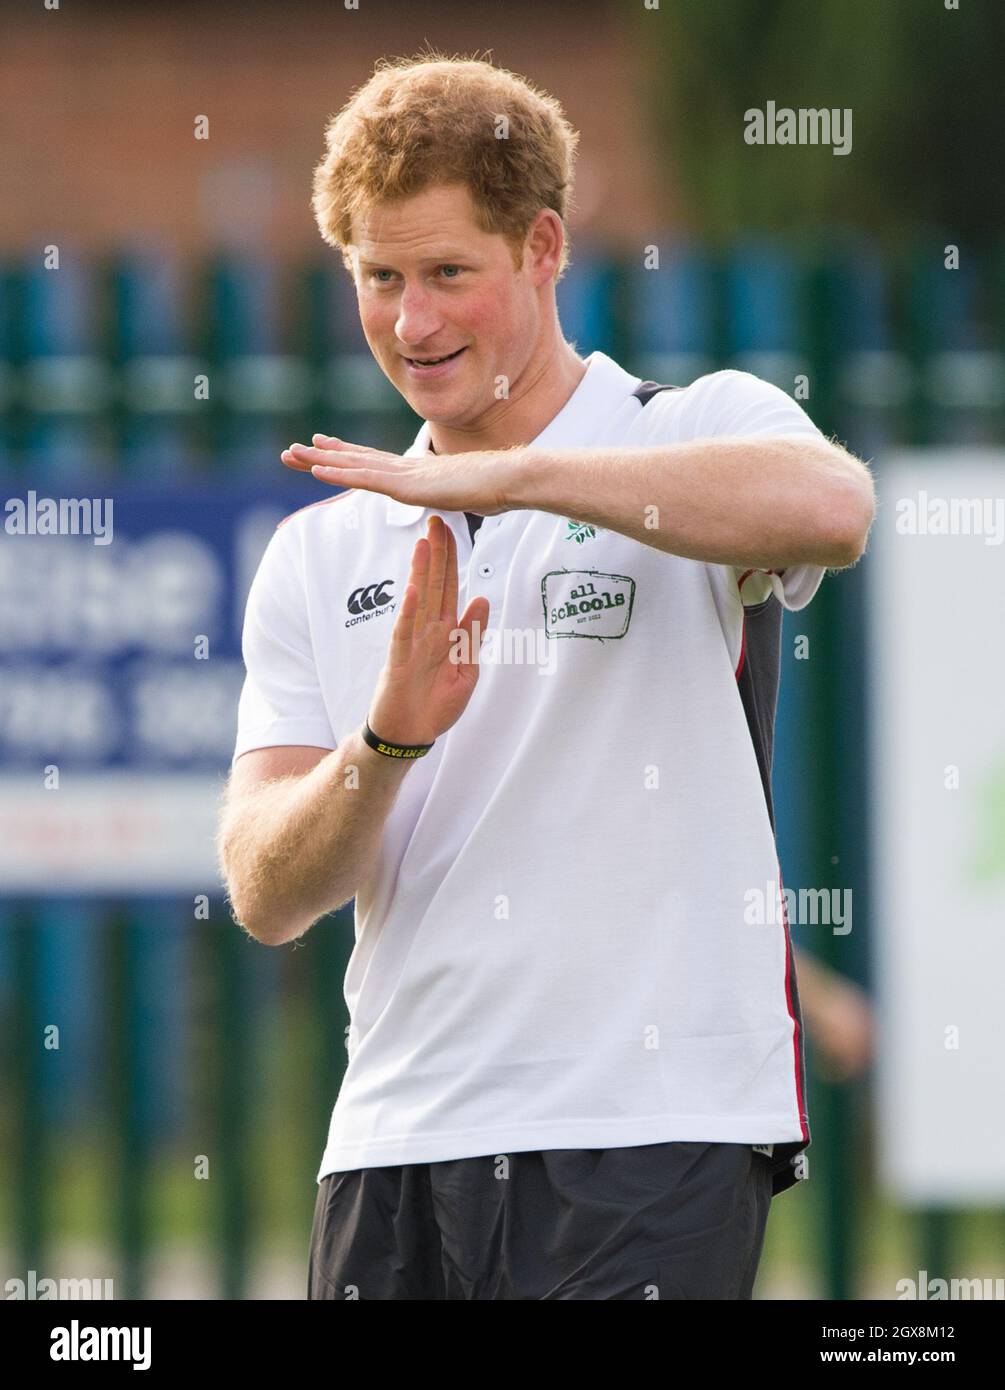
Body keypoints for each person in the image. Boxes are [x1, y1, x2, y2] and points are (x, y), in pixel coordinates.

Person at [217, 51, 876, 1301]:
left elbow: (834, 508)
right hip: (395, 1141)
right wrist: (384, 746)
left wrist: (513, 473)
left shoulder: (684, 425)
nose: (412, 323)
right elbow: (263, 890)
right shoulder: (317, 548)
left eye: (449, 273)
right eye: (380, 278)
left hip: (653, 1125)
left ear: (544, 249)